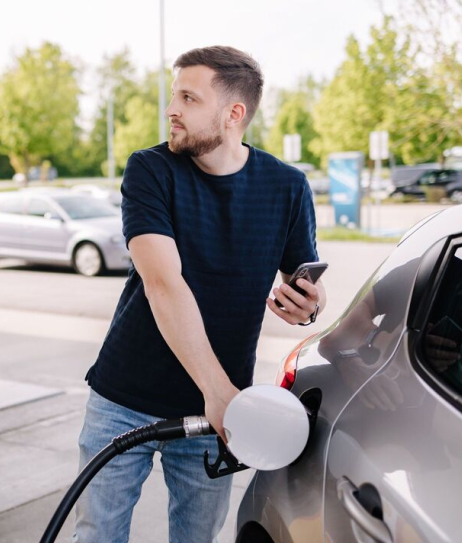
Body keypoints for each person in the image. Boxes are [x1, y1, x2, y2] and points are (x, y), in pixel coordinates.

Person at [74, 46, 325, 543]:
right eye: (174, 95)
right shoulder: (150, 170)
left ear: (234, 115)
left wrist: (309, 305)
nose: (172, 108)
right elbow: (163, 283)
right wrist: (220, 394)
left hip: (221, 411)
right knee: (97, 535)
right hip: (126, 398)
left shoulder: (288, 187)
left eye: (188, 97)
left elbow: (307, 286)